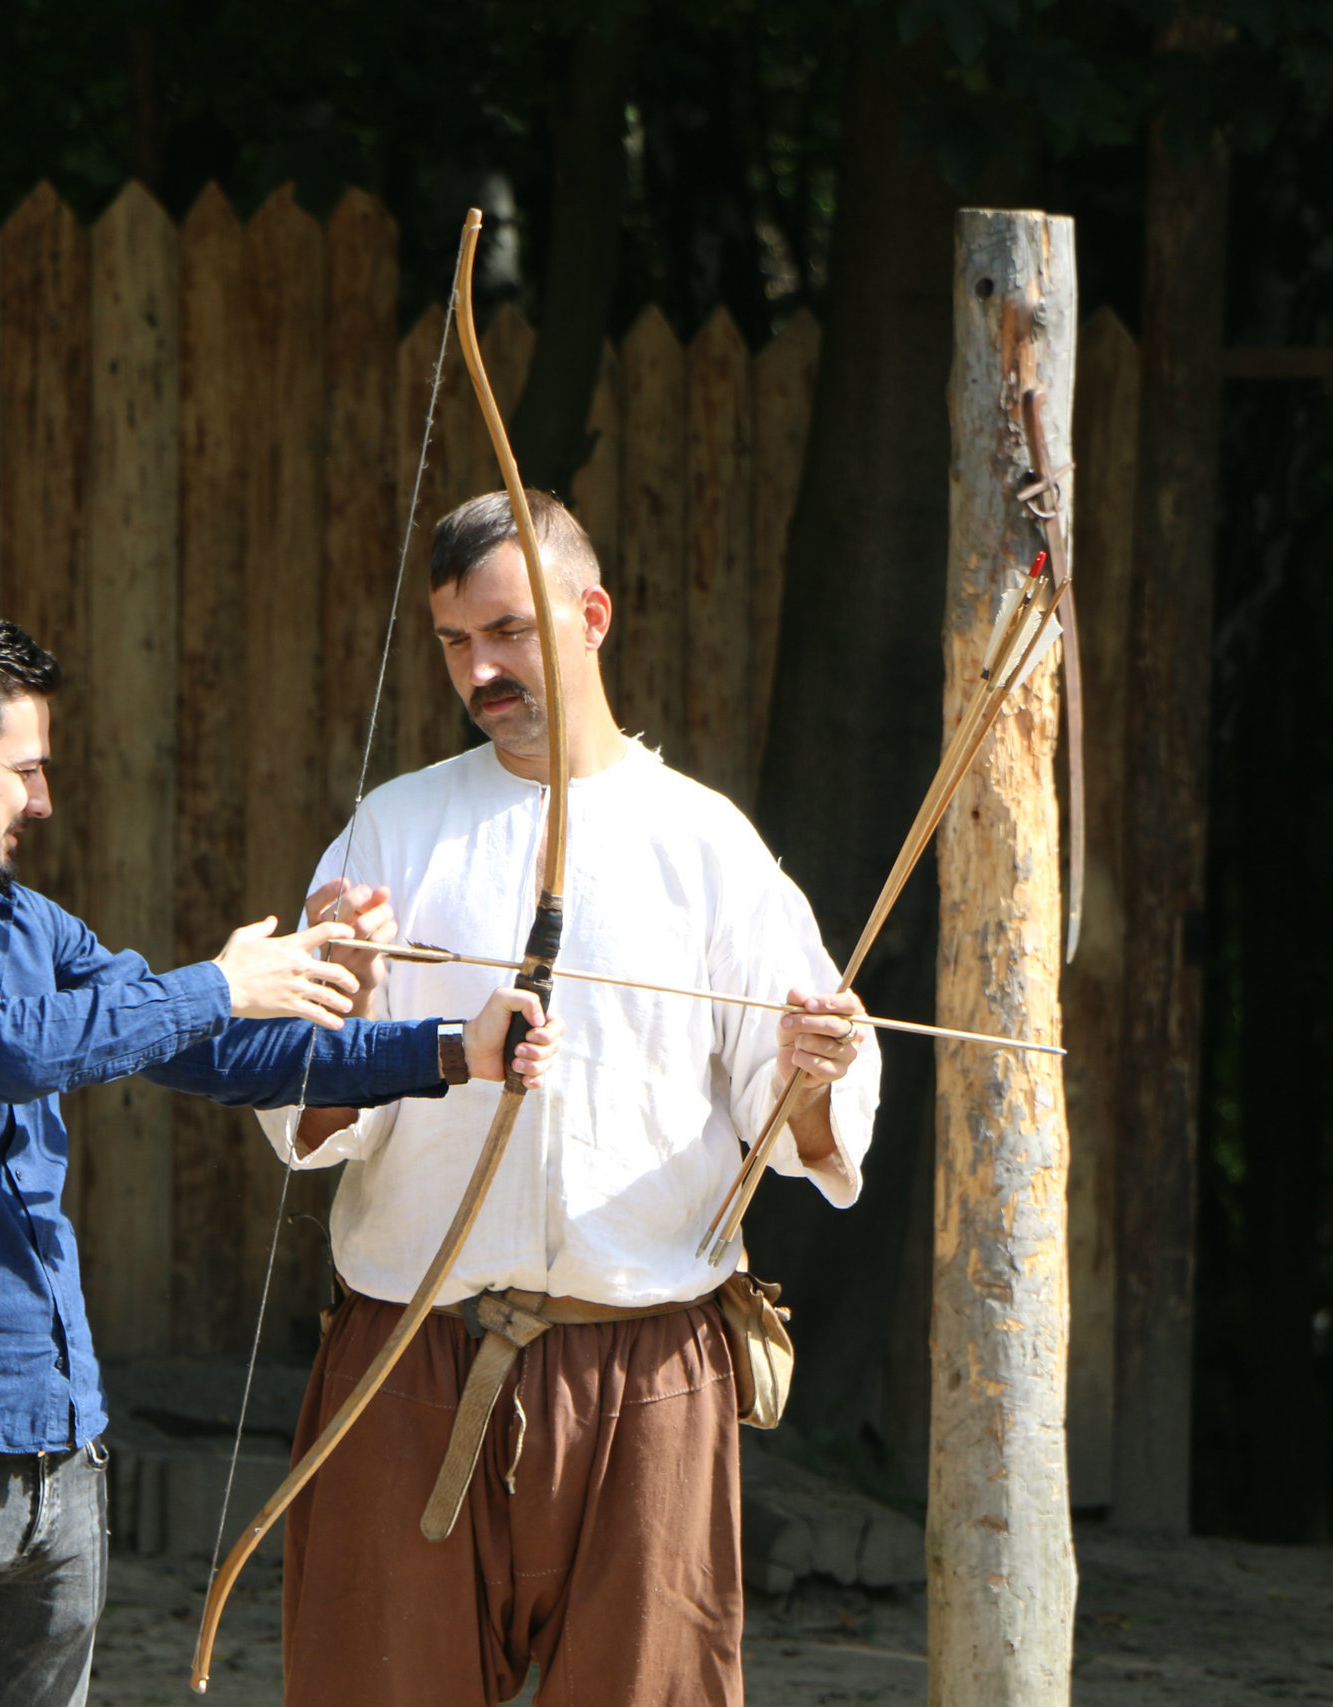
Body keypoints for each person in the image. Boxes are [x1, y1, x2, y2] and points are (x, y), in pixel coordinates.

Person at [0, 607, 560, 1707]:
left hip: (63, 1447)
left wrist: (453, 1049)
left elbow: (208, 1046)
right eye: (24, 770)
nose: (43, 799)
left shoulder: (24, 925)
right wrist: (219, 981)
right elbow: (6, 1051)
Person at [257, 492, 880, 1706]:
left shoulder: (705, 844)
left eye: (507, 631)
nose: (478, 669)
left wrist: (816, 1072)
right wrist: (335, 988)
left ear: (591, 616)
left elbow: (795, 1130)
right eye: (451, 642)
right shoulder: (391, 833)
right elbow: (314, 1117)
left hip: (645, 1363)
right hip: (412, 1356)